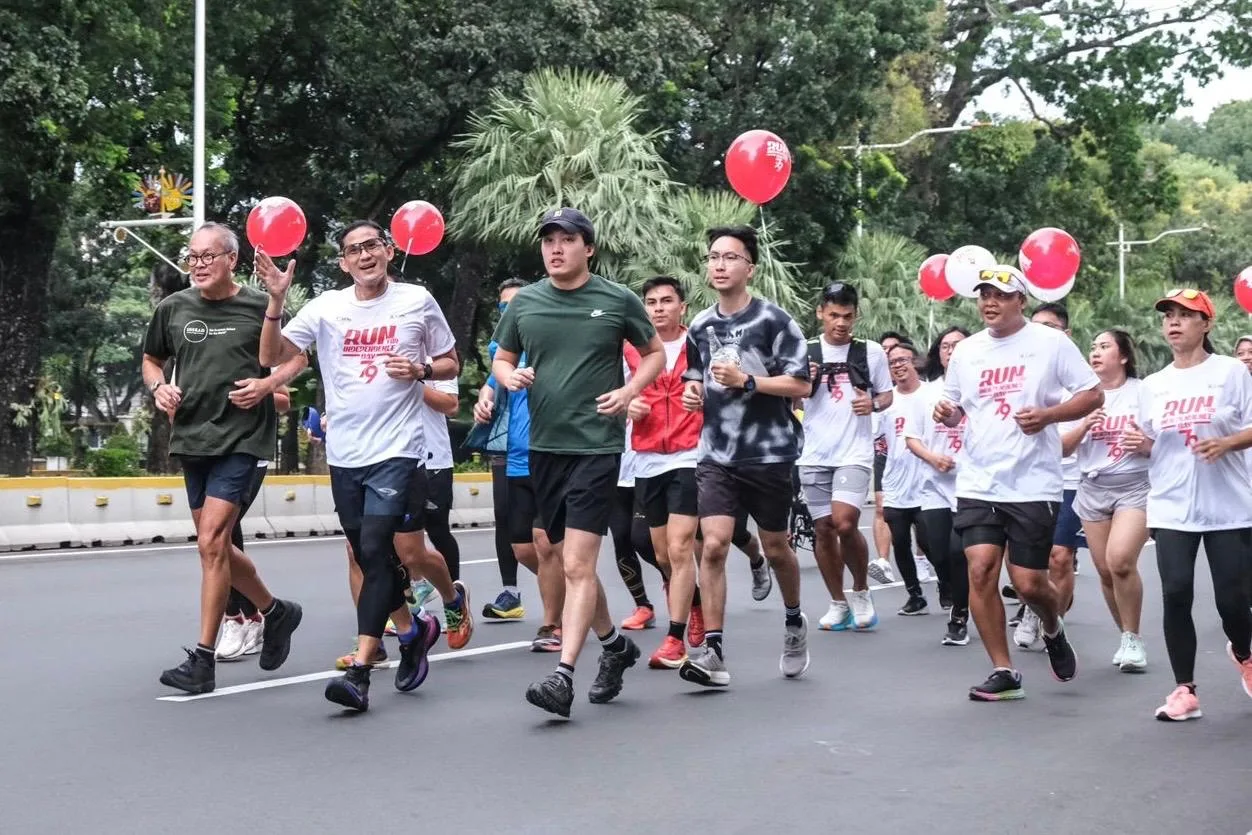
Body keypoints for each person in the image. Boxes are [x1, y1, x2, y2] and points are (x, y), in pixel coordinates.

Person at [258, 220, 460, 711]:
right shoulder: (326, 307)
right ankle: (412, 631)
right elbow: (270, 356)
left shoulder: (416, 300)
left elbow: (450, 361)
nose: (365, 255)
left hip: (400, 449)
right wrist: (277, 302)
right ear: (344, 263)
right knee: (370, 557)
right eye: (354, 250)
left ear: (388, 251)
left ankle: (362, 672)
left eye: (372, 245)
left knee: (375, 546)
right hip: (345, 453)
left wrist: (420, 370)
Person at [492, 207, 665, 718]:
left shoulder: (616, 299)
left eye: (567, 239)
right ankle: (615, 647)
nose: (556, 249)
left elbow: (653, 352)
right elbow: (502, 358)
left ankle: (563, 675)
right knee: (573, 566)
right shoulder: (525, 305)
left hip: (596, 446)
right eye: (548, 240)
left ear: (588, 247)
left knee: (575, 564)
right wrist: (507, 378)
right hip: (544, 449)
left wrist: (630, 388)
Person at [142, 222, 306, 694]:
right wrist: (159, 388)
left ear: (231, 259)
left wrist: (267, 384)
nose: (196, 265)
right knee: (211, 545)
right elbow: (152, 360)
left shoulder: (259, 306)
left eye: (206, 257)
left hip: (243, 438)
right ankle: (278, 611)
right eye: (191, 257)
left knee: (212, 539)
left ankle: (202, 659)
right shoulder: (173, 308)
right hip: (192, 438)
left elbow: (297, 360)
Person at [934, 266, 1101, 701]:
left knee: (1028, 583)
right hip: (979, 479)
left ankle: (1051, 625)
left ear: (1021, 301)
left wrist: (1048, 416)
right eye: (984, 295)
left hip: (1032, 482)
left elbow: (1092, 394)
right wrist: (947, 414)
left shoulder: (1050, 344)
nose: (990, 302)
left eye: (1001, 295)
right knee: (981, 568)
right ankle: (1003, 671)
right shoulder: (967, 351)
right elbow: (957, 406)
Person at [677, 224, 812, 687]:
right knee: (712, 544)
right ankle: (713, 651)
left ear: (749, 268)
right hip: (717, 453)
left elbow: (801, 385)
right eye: (713, 256)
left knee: (776, 547)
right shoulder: (700, 324)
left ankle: (794, 619)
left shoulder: (775, 321)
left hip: (769, 454)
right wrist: (694, 394)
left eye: (730, 257)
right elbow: (694, 378)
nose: (719, 264)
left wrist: (749, 382)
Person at [1121, 289, 1252, 720]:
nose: (1174, 322)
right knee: (1176, 592)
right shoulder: (1154, 386)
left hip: (1229, 506)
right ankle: (1184, 690)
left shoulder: (1231, 372)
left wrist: (1228, 442)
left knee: (1232, 601)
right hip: (1172, 504)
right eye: (1168, 316)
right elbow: (1151, 443)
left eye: (1186, 315)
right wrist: (1142, 445)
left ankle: (1246, 654)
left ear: (1206, 324)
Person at [474, 280, 566, 651]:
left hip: (550, 453)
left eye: (517, 305)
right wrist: (484, 399)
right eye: (502, 307)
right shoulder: (502, 350)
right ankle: (571, 585)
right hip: (514, 457)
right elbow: (491, 382)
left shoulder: (552, 342)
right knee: (524, 549)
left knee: (545, 542)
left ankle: (552, 624)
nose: (509, 312)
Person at [797, 282, 893, 632]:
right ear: (821, 312)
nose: (840, 322)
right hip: (813, 453)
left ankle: (861, 590)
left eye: (847, 316)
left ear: (856, 316)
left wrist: (873, 403)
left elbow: (886, 396)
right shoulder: (803, 350)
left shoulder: (870, 352)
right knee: (823, 530)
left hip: (854, 451)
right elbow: (788, 399)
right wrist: (800, 385)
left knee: (845, 522)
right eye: (833, 315)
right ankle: (838, 602)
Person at [626, 276, 706, 668]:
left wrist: (704, 395)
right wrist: (629, 406)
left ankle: (675, 640)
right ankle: (695, 604)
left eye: (667, 301)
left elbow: (727, 388)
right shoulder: (630, 350)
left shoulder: (701, 344)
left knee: (679, 546)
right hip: (647, 458)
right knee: (660, 552)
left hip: (690, 455)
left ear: (682, 307)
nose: (659, 308)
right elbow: (610, 392)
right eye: (652, 302)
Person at [1062, 329, 1150, 672]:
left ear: (1123, 356)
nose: (1095, 353)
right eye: (1093, 347)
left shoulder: (1143, 392)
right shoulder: (1081, 397)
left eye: (1104, 347)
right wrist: (1083, 426)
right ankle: (1128, 638)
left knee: (1120, 560)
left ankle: (1133, 636)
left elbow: (1163, 439)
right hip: (1091, 487)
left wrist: (1144, 444)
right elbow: (1062, 450)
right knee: (1104, 570)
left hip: (1134, 486)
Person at [1013, 302, 1084, 648]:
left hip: (1071, 482)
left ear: (1066, 334)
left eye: (1051, 327)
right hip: (1027, 481)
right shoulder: (1022, 376)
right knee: (1030, 566)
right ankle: (1039, 607)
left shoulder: (1079, 384)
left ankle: (1051, 621)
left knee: (1060, 556)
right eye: (1035, 325)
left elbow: (1067, 447)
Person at [216, 384, 293, 662]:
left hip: (247, 453)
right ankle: (258, 614)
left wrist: (256, 394)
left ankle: (235, 618)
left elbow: (284, 401)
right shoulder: (192, 343)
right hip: (207, 452)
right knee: (218, 539)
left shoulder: (253, 348)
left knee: (219, 535)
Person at [906, 326, 971, 646]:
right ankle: (949, 586)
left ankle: (959, 615)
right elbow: (912, 438)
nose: (951, 350)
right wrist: (933, 459)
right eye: (946, 346)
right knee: (937, 549)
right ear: (938, 353)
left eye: (958, 345)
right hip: (934, 484)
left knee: (959, 552)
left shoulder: (979, 390)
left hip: (970, 484)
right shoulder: (927, 392)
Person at [878, 341, 939, 614]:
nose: (899, 366)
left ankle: (947, 585)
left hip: (928, 482)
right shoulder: (887, 401)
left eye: (904, 360)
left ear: (915, 362)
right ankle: (915, 594)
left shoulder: (932, 394)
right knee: (899, 540)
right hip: (896, 482)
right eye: (893, 363)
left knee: (929, 540)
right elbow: (876, 440)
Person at [868, 332, 908, 585]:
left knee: (917, 520)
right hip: (886, 455)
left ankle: (923, 558)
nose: (889, 356)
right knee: (882, 508)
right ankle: (883, 561)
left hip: (918, 460)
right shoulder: (879, 391)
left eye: (894, 352)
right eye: (885, 351)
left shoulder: (925, 390)